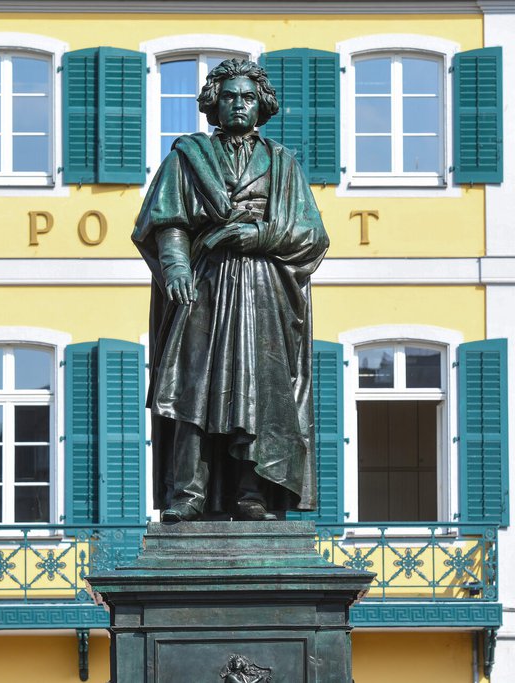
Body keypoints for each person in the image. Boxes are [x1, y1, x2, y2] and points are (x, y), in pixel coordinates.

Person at [132, 58, 329, 523]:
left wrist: (256, 236)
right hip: (204, 283)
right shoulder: (187, 157)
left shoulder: (282, 163)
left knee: (259, 390)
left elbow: (311, 234)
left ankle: (251, 492)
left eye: (247, 97)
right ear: (213, 104)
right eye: (229, 97)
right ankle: (187, 493)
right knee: (191, 387)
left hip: (264, 289)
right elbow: (168, 220)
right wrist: (175, 267)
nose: (238, 104)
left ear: (261, 105)